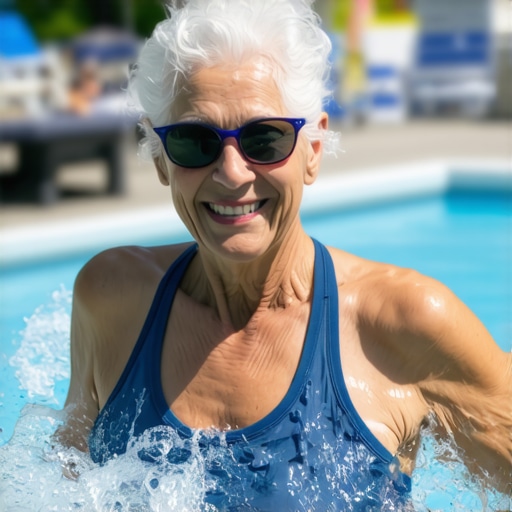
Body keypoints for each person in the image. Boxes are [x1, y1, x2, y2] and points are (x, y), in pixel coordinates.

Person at [55, 0, 511, 508]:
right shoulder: (112, 297)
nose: (231, 173)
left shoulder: (402, 324)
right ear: (161, 159)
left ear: (312, 150)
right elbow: (60, 486)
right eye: (193, 141)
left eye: (264, 139)